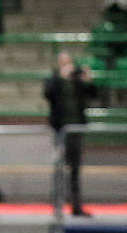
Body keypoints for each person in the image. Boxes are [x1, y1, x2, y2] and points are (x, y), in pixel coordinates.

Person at [43, 50, 99, 217]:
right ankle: (58, 205)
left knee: (75, 169)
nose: (68, 65)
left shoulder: (77, 82)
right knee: (59, 168)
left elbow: (93, 95)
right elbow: (48, 94)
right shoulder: (53, 80)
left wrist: (88, 81)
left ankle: (76, 206)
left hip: (76, 129)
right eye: (64, 62)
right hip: (61, 131)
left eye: (69, 62)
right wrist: (61, 77)